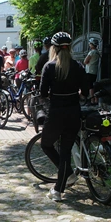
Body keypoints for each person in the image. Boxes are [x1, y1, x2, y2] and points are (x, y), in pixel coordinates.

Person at [39, 32, 91, 201]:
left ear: (53, 48)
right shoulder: (78, 66)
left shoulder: (49, 66)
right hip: (73, 111)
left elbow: (43, 93)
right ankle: (62, 184)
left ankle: (63, 183)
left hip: (56, 112)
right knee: (66, 151)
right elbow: (85, 92)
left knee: (46, 145)